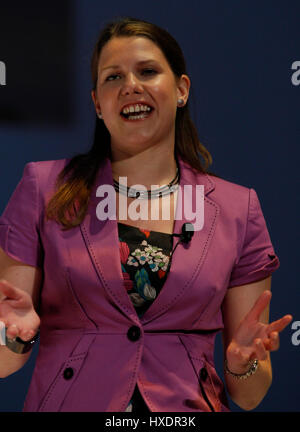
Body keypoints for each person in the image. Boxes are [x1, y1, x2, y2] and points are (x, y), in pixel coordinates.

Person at [0, 17, 292, 413]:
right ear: (97, 104)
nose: (130, 87)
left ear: (182, 90)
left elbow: (251, 393)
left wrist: (244, 363)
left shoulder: (238, 209)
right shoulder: (43, 187)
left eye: (148, 71)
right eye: (113, 77)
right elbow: (6, 360)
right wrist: (12, 335)